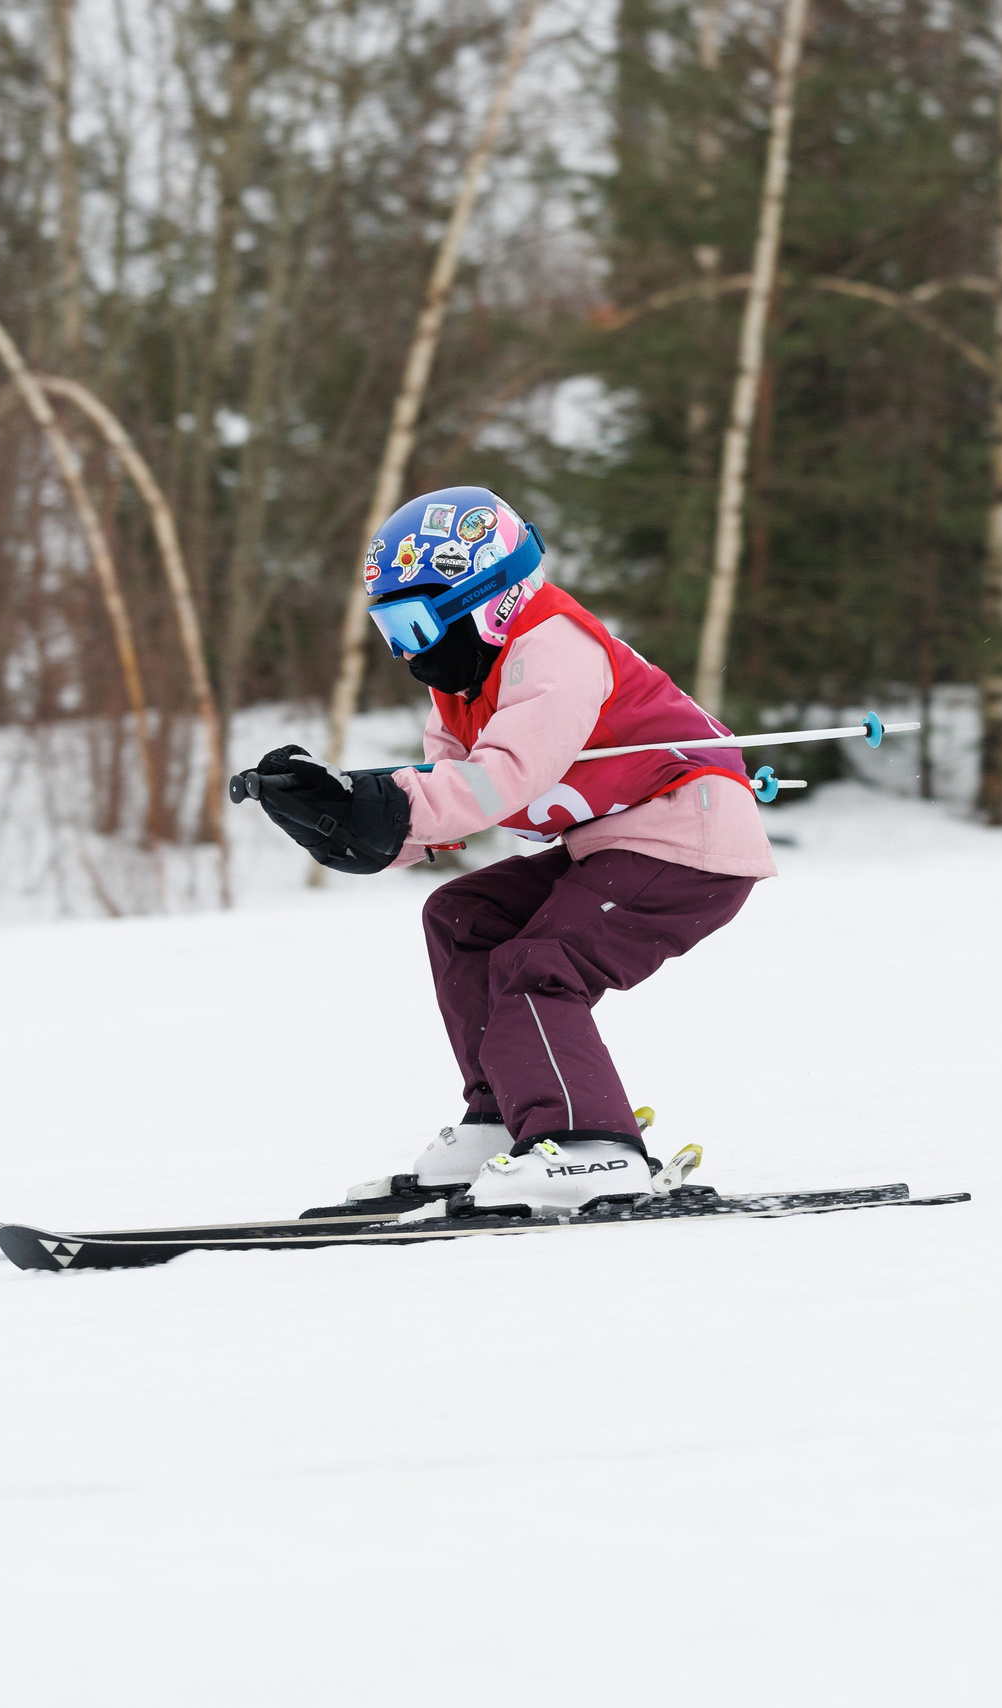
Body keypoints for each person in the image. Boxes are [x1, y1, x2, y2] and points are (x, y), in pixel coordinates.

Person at [241, 485, 774, 1216]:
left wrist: (383, 802)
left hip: (691, 842)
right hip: (616, 844)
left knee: (537, 965)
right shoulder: (466, 682)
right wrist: (341, 822)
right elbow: (447, 802)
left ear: (487, 597)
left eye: (418, 622)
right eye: (391, 629)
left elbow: (502, 778)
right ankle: (504, 1123)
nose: (411, 651)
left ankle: (589, 1145)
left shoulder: (554, 647)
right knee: (463, 915)